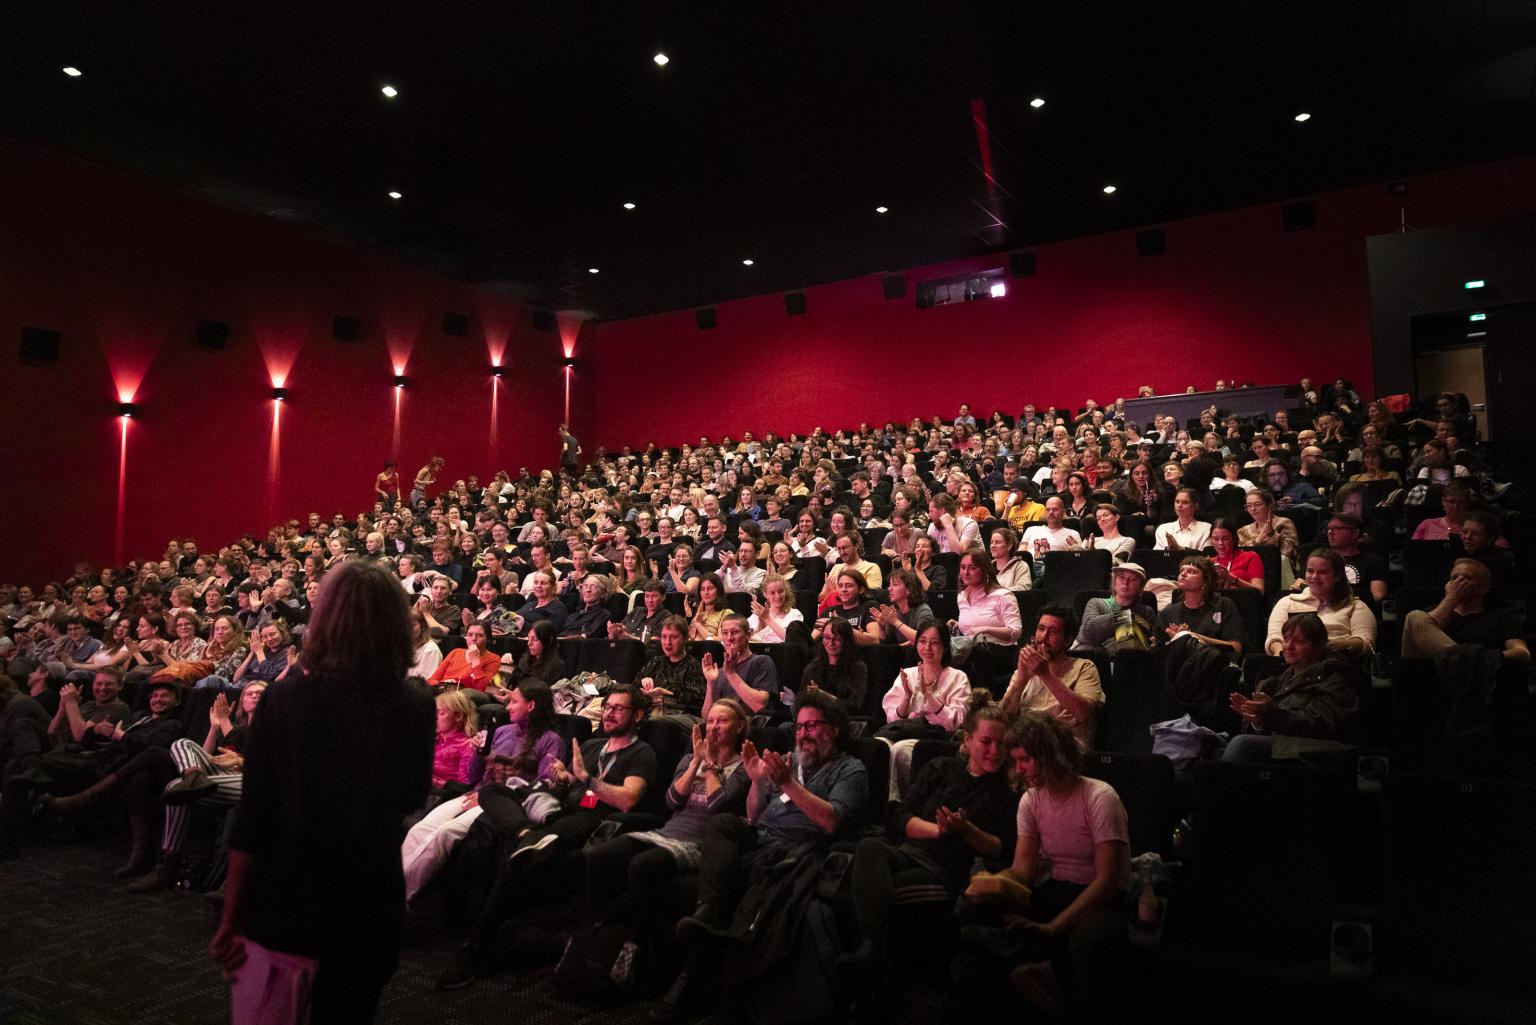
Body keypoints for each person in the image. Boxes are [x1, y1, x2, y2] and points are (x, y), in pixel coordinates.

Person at [210, 560, 434, 1023]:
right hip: (369, 900)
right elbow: (411, 797)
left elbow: (254, 819)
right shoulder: (416, 705)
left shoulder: (284, 699)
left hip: (288, 898)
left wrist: (232, 916)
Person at [436, 683, 656, 990]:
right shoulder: (593, 745)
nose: (609, 713)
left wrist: (586, 779)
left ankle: (476, 945)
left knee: (517, 857)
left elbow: (629, 799)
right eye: (607, 707)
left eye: (619, 709)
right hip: (555, 807)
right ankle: (525, 831)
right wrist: (563, 777)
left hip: (589, 819)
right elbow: (568, 783)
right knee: (491, 791)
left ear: (638, 715)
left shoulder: (641, 752)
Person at [663, 691, 869, 1018]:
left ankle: (699, 981)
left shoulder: (849, 769)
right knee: (725, 824)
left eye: (812, 726)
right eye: (799, 727)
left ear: (835, 730)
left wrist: (787, 784)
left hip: (799, 848)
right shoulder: (791, 761)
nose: (803, 734)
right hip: (762, 836)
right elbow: (755, 815)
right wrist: (759, 783)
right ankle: (707, 914)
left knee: (753, 875)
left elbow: (832, 821)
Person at [956, 712, 1129, 1023]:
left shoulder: (1100, 798)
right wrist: (993, 885)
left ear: (1051, 754)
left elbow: (1107, 882)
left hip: (1101, 901)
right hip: (1056, 888)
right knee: (972, 911)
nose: (1019, 770)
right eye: (1016, 761)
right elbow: (1023, 870)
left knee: (1087, 942)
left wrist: (1054, 927)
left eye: (1025, 760)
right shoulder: (1031, 801)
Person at [840, 692, 1014, 983]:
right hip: (911, 852)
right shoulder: (941, 768)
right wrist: (937, 830)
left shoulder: (1006, 789)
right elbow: (898, 817)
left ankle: (877, 962)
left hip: (949, 870)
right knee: (868, 847)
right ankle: (873, 951)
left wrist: (965, 830)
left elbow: (1002, 848)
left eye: (1001, 743)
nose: (995, 751)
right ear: (968, 740)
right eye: (986, 742)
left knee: (869, 893)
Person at [584, 698, 750, 980]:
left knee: (642, 866)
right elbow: (671, 801)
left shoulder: (744, 766)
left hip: (701, 844)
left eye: (722, 721)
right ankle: (598, 935)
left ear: (739, 727)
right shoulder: (689, 759)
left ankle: (644, 947)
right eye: (710, 721)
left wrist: (709, 768)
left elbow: (719, 806)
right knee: (600, 855)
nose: (713, 727)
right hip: (666, 832)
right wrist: (697, 760)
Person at [401, 680, 563, 903]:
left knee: (444, 834)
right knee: (420, 829)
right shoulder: (502, 731)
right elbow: (473, 777)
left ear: (532, 705)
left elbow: (541, 786)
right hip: (477, 793)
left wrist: (489, 797)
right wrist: (477, 753)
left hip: (506, 804)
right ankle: (391, 885)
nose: (507, 707)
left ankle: (402, 897)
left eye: (514, 702)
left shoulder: (551, 740)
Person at [1225, 613, 1367, 761]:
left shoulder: (1336, 676)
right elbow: (1266, 727)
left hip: (1320, 751)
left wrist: (1273, 714)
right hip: (1287, 745)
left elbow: (1323, 723)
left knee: (1241, 745)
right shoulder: (1279, 677)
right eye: (1286, 639)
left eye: (1298, 641)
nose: (1288, 646)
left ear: (1319, 646)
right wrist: (1257, 720)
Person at [1000, 608, 1104, 747]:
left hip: (1063, 748)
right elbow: (1003, 719)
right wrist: (1021, 680)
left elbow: (1083, 713)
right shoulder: (1024, 669)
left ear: (1068, 640)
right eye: (1041, 629)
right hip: (1025, 744)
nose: (1043, 636)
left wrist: (1045, 675)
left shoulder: (1084, 667)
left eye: (1053, 632)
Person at [1400, 559, 1529, 662]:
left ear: (1485, 588)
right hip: (1433, 674)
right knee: (1415, 616)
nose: (1458, 583)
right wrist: (1451, 599)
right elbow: (1418, 638)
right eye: (1454, 578)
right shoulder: (1433, 611)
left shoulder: (1502, 615)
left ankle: (1463, 664)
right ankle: (1463, 663)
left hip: (1479, 674)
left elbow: (1522, 653)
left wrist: (1483, 658)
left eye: (1466, 578)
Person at [1265, 548, 1377, 656]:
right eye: (1310, 571)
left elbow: (1366, 643)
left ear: (1337, 576)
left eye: (1323, 572)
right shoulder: (1287, 602)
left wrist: (1334, 646)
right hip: (1292, 664)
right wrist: (1284, 653)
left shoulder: (1356, 606)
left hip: (1338, 663)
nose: (1315, 576)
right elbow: (1274, 639)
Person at [1157, 556, 1246, 659]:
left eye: (1191, 571)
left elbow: (1236, 648)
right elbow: (1157, 649)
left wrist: (1191, 637)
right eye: (1181, 570)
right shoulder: (1168, 612)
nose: (1183, 574)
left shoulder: (1223, 605)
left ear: (1206, 580)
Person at [1073, 563, 1158, 653]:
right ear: (1114, 583)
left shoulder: (1146, 611)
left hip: (1129, 661)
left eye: (1133, 579)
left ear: (1140, 587)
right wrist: (1127, 617)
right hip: (1091, 659)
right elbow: (1089, 631)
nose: (1126, 582)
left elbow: (1152, 642)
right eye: (1121, 577)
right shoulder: (1096, 603)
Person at [701, 614, 776, 713]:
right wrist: (711, 684)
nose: (729, 638)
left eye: (734, 632)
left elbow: (759, 706)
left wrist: (731, 674)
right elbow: (706, 716)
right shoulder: (718, 672)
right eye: (725, 633)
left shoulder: (761, 662)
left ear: (748, 635)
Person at [798, 617, 868, 711]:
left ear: (846, 641)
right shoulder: (813, 667)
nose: (831, 643)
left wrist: (824, 696)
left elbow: (855, 705)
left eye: (837, 639)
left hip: (843, 720)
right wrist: (791, 701)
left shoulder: (857, 667)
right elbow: (802, 701)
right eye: (827, 638)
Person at [869, 567, 934, 646]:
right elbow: (886, 646)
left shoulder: (923, 610)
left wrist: (896, 622)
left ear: (909, 589)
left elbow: (924, 638)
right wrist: (882, 628)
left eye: (895, 584)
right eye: (890, 585)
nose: (889, 589)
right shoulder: (892, 610)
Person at [427, 623, 501, 691]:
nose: (474, 639)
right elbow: (432, 680)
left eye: (480, 635)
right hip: (443, 690)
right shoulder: (456, 652)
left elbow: (481, 688)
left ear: (488, 639)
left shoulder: (494, 659)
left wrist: (475, 660)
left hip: (464, 695)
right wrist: (444, 684)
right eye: (470, 635)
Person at [1207, 519, 1264, 593]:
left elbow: (1260, 590)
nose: (1220, 543)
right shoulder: (1209, 562)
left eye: (1225, 538)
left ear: (1234, 539)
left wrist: (1232, 579)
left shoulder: (1250, 556)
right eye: (1215, 539)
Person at [747, 575, 804, 644]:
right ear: (765, 594)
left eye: (781, 591)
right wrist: (760, 624)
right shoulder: (759, 613)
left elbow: (792, 640)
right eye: (772, 593)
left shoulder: (794, 614)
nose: (778, 596)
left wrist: (767, 619)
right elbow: (746, 638)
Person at [1153, 487, 1212, 552]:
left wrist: (1180, 549)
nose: (1179, 505)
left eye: (1185, 502)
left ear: (1196, 506)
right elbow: (1157, 556)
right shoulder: (1163, 529)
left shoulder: (1206, 528)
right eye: (1177, 502)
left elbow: (1205, 556)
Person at [685, 573, 729, 641]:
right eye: (702, 589)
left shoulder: (725, 614)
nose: (705, 593)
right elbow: (689, 639)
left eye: (710, 588)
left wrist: (698, 624)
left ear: (718, 590)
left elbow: (721, 642)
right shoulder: (699, 613)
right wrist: (689, 617)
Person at [989, 527, 1033, 591]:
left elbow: (1023, 588)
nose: (992, 546)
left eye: (997, 542)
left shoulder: (1020, 566)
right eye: (991, 542)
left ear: (1009, 546)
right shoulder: (987, 567)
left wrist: (995, 592)